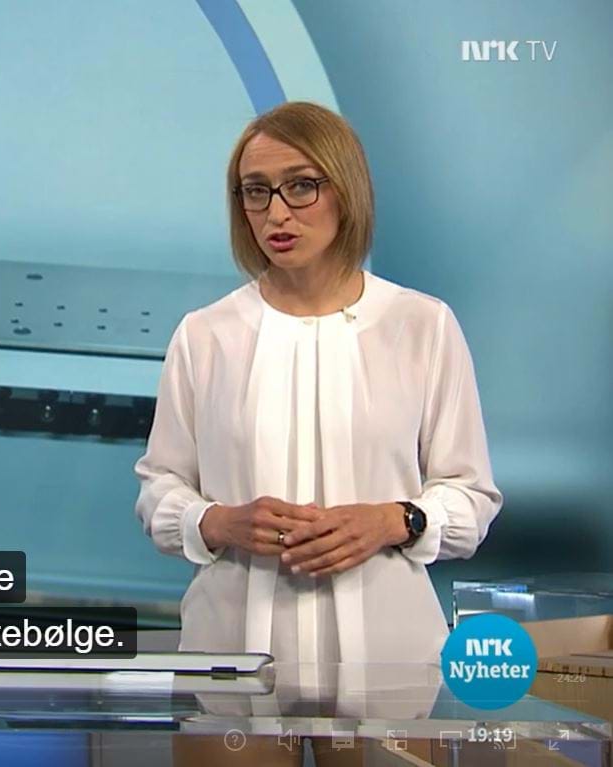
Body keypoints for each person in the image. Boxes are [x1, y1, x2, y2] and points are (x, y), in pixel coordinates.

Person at [133, 101, 503, 764]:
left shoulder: (423, 326)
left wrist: (394, 520)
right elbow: (160, 488)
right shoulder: (205, 335)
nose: (277, 213)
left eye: (300, 186)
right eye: (256, 191)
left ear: (346, 189)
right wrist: (218, 521)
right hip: (232, 671)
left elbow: (471, 496)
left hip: (388, 674)